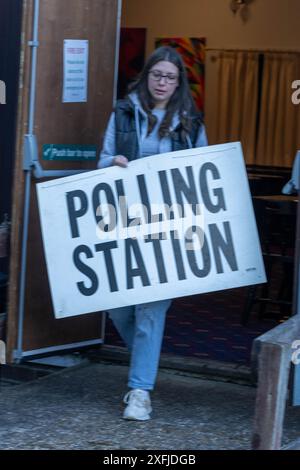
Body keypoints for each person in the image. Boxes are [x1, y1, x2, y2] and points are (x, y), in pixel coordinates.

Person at [98, 46, 208, 421]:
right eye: (157, 75)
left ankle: (139, 391)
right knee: (116, 305)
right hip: (124, 223)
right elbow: (103, 158)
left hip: (169, 227)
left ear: (179, 83)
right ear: (147, 76)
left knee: (150, 309)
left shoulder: (191, 121)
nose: (162, 82)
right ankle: (146, 362)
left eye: (170, 77)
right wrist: (113, 163)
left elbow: (202, 168)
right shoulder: (124, 111)